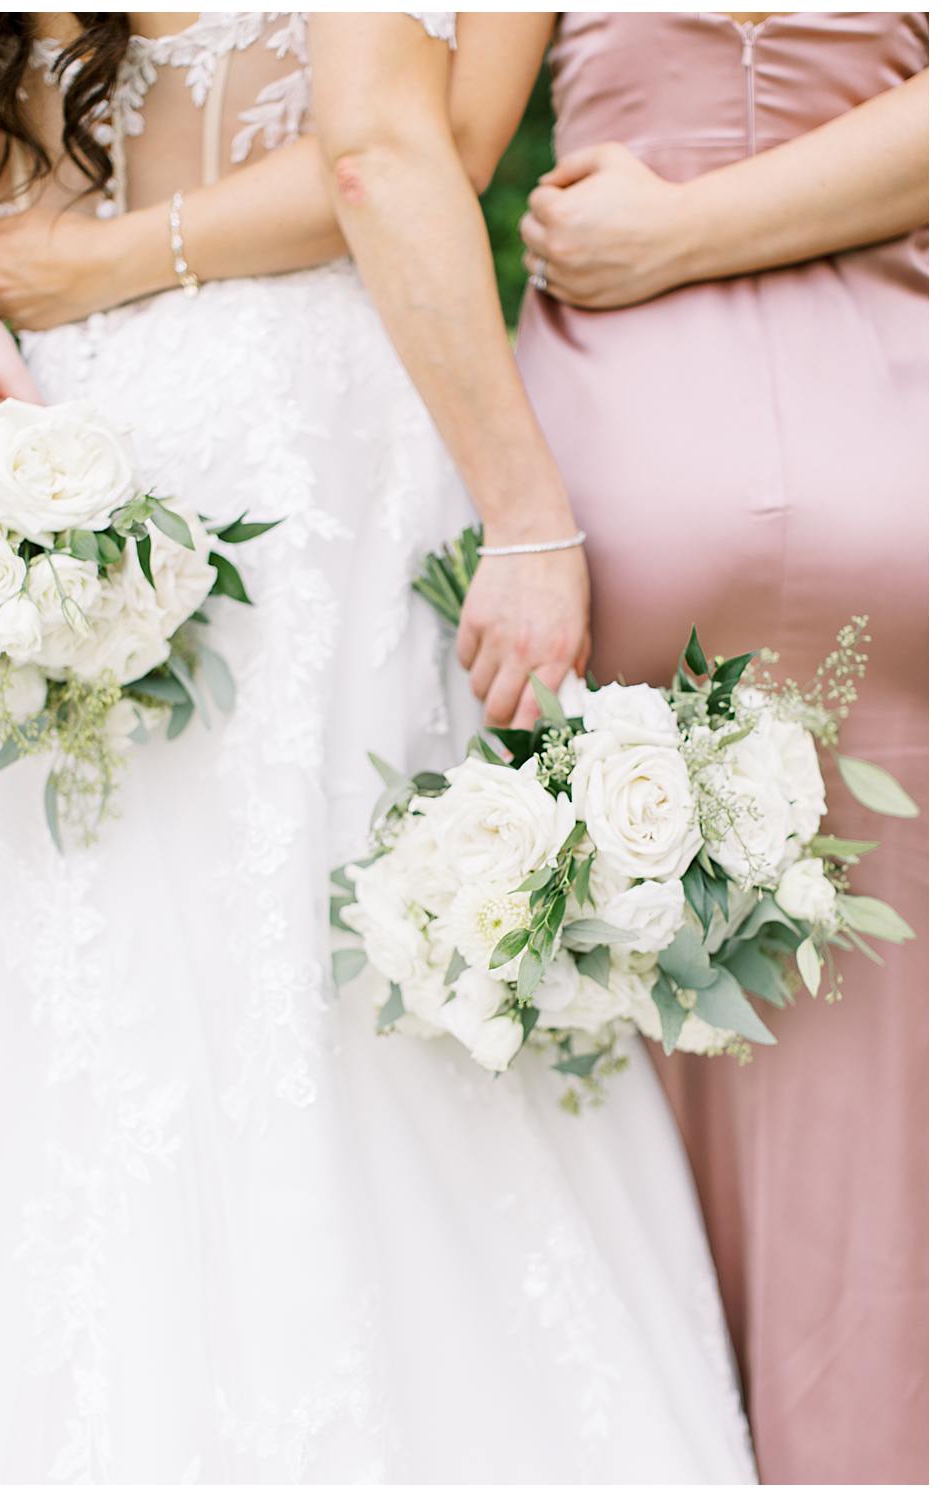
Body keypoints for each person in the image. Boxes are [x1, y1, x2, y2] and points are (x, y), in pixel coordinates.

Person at [0, 12, 752, 1480]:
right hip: (257, 439)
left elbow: (392, 158)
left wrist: (79, 279)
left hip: (128, 429)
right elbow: (408, 156)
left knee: (187, 969)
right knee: (311, 961)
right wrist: (531, 518)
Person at [510, 13, 928, 1480]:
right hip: (898, 421)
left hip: (613, 471)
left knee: (611, 1010)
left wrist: (669, 233)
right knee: (892, 1052)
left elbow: (403, 147)